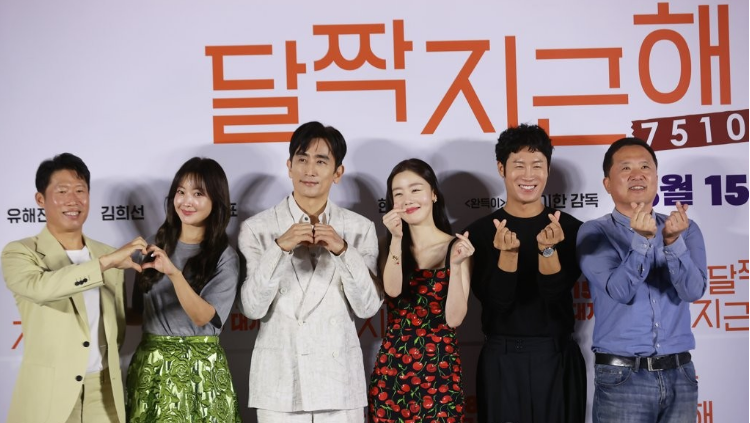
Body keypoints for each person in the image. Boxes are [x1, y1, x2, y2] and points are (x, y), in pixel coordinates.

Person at [238, 121, 383, 423]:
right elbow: (252, 308)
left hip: (339, 383)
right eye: (302, 159)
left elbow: (368, 307)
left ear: (338, 173)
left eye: (321, 161)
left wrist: (343, 251)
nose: (309, 170)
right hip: (280, 384)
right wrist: (279, 248)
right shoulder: (257, 228)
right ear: (289, 166)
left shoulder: (359, 228)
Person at [2, 152, 148, 423]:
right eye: (62, 191)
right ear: (41, 199)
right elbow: (40, 288)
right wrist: (104, 264)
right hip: (49, 394)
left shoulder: (108, 254)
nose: (73, 200)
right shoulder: (20, 252)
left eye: (80, 190)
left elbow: (116, 318)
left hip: (104, 392)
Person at [577, 137, 707, 423]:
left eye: (645, 167)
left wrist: (673, 243)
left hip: (680, 373)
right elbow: (619, 290)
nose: (637, 175)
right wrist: (642, 241)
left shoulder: (684, 228)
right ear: (607, 183)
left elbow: (693, 290)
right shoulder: (594, 232)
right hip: (622, 376)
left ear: (656, 178)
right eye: (626, 168)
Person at [465, 124, 586, 423]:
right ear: (501, 168)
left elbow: (554, 294)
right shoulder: (479, 233)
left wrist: (548, 250)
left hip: (556, 355)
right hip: (501, 358)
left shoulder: (570, 229)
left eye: (537, 165)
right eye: (519, 165)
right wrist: (507, 256)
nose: (528, 175)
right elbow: (498, 302)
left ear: (548, 170)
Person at [125, 157, 241, 422]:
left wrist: (174, 273)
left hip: (202, 370)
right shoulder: (153, 246)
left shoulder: (224, 257)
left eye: (198, 194)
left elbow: (203, 317)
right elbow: (138, 314)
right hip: (152, 367)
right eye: (181, 192)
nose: (186, 201)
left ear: (216, 201)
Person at [368, 158, 474, 422]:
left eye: (416, 189)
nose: (408, 200)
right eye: (398, 194)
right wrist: (396, 238)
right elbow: (393, 291)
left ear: (433, 194)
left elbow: (454, 319)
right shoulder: (387, 244)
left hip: (440, 374)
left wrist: (456, 266)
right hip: (392, 372)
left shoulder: (456, 247)